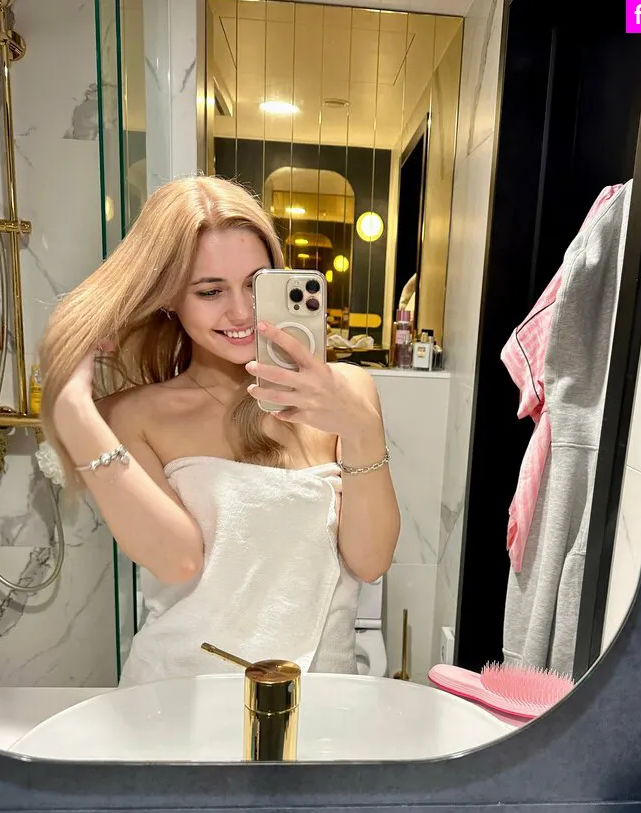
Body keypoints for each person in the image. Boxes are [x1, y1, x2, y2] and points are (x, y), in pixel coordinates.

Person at [40, 176, 400, 685]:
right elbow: (178, 561)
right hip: (179, 696)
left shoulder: (349, 392)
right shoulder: (135, 416)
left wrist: (360, 428)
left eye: (256, 284)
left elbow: (370, 560)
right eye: (210, 291)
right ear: (169, 296)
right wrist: (74, 410)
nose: (241, 311)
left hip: (316, 697)